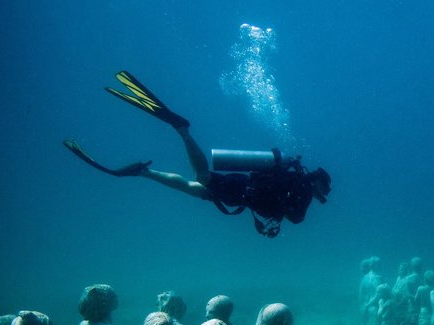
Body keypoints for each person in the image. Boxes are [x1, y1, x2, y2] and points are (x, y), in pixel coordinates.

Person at [64, 71, 331, 238]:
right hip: (241, 190)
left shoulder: (295, 179)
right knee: (201, 178)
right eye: (324, 190)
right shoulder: (303, 190)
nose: (323, 196)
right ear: (318, 183)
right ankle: (183, 131)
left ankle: (145, 172)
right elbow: (297, 218)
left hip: (242, 191)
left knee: (195, 188)